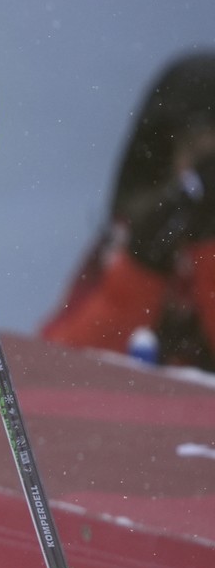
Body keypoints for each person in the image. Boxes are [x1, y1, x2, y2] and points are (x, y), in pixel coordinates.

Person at [41, 52, 215, 369]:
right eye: (193, 149)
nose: (201, 178)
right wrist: (143, 265)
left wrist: (208, 250)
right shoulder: (135, 237)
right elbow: (55, 366)